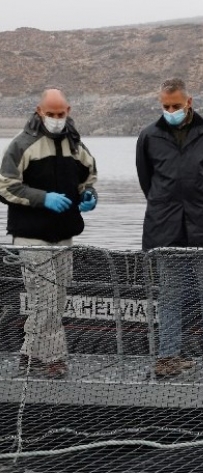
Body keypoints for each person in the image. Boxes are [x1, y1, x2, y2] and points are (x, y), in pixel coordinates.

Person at [136, 78, 203, 380]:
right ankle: (168, 356)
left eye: (176, 105)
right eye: (165, 106)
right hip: (166, 227)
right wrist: (166, 205)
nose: (171, 110)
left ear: (188, 102)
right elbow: (146, 181)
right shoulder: (149, 136)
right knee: (170, 295)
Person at [0, 88, 98, 379]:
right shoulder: (22, 145)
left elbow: (88, 176)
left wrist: (89, 195)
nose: (56, 119)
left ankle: (30, 356)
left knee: (57, 299)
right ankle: (54, 359)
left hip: (64, 235)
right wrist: (43, 198)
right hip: (32, 236)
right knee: (45, 299)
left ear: (68, 110)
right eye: (51, 114)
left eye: (61, 114)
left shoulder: (75, 145)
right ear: (39, 111)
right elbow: (5, 186)